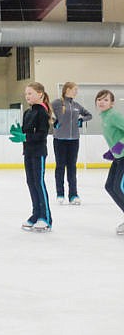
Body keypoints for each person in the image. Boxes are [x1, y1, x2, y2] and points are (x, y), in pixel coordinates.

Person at [9, 81, 53, 232]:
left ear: (40, 94)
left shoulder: (42, 111)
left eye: (30, 93)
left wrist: (25, 137)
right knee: (31, 182)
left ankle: (45, 217)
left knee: (39, 182)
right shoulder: (28, 112)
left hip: (38, 152)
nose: (27, 96)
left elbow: (42, 134)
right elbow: (25, 131)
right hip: (28, 152)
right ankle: (36, 214)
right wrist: (18, 132)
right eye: (26, 93)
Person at [51, 82, 92, 205]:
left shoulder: (76, 105)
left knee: (72, 167)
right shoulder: (57, 103)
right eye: (75, 89)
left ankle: (73, 195)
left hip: (74, 140)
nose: (76, 92)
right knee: (60, 167)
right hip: (59, 140)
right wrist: (54, 122)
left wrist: (80, 120)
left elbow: (89, 115)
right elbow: (47, 111)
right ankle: (60, 194)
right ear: (67, 89)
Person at [96, 89, 124, 235]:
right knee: (110, 187)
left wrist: (119, 146)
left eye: (106, 100)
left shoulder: (113, 115)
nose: (102, 102)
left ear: (112, 103)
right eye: (99, 99)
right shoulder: (105, 117)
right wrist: (113, 151)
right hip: (119, 157)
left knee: (118, 188)